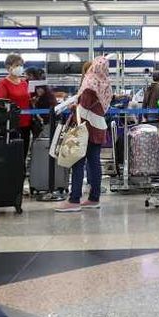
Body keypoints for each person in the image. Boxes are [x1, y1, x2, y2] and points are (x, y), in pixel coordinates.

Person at [55, 58, 112, 213]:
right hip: (99, 126)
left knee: (78, 162)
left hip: (86, 128)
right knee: (94, 163)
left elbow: (84, 108)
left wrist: (74, 107)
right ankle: (94, 198)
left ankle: (74, 200)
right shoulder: (105, 83)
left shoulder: (89, 85)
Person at [0, 53, 33, 160]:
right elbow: (0, 104)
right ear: (8, 67)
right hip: (11, 124)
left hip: (26, 123)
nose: (20, 68)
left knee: (24, 151)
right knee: (12, 153)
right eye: (17, 65)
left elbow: (27, 99)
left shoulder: (24, 83)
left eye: (21, 65)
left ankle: (22, 173)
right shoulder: (3, 84)